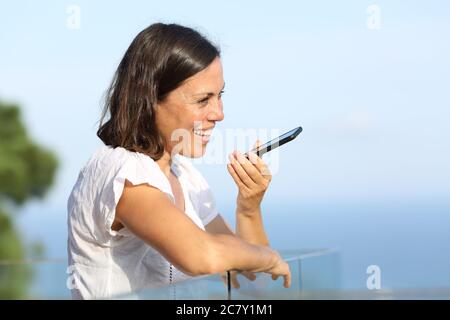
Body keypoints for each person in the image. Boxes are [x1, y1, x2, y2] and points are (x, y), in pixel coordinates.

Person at [67, 22, 291, 300]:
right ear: (150, 99)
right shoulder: (121, 171)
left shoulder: (186, 176)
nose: (219, 113)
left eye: (220, 96)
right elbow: (201, 256)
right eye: (202, 100)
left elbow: (250, 283)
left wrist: (248, 209)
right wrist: (268, 257)